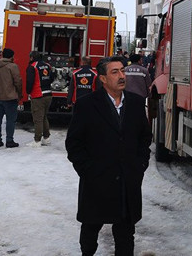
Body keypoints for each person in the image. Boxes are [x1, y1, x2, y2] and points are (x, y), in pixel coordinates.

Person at [65, 56, 151, 256]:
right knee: (90, 229)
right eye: (115, 72)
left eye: (122, 71)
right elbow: (74, 143)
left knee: (125, 233)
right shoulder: (87, 105)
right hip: (97, 180)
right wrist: (88, 171)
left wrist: (139, 165)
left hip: (128, 179)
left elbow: (144, 138)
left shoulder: (136, 103)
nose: (122, 76)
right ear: (102, 78)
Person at [26, 51, 53, 146]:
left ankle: (37, 140)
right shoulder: (48, 66)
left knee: (38, 118)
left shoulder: (33, 67)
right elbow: (52, 78)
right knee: (44, 117)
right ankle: (46, 138)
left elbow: (29, 81)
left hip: (38, 95)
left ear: (32, 57)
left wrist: (28, 92)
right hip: (48, 94)